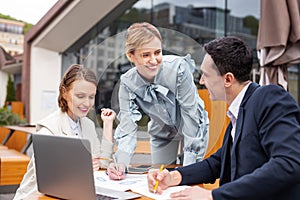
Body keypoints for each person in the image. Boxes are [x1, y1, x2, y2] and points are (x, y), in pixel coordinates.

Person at [147, 36, 300, 200]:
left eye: (206, 75)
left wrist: (212, 196)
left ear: (227, 79)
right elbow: (218, 162)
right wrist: (175, 176)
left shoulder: (269, 98)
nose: (202, 81)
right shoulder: (240, 111)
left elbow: (288, 162)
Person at [108, 22, 209, 179]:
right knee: (159, 179)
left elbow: (191, 117)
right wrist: (120, 165)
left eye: (157, 52)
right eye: (146, 55)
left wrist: (188, 173)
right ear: (130, 56)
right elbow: (127, 127)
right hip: (162, 131)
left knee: (187, 179)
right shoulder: (128, 82)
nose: (154, 60)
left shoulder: (178, 69)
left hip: (192, 128)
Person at [13, 64, 116, 200]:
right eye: (80, 96)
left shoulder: (87, 125)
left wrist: (108, 125)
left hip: (73, 194)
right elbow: (49, 181)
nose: (87, 103)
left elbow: (102, 163)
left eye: (91, 97)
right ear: (64, 92)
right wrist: (81, 169)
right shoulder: (48, 130)